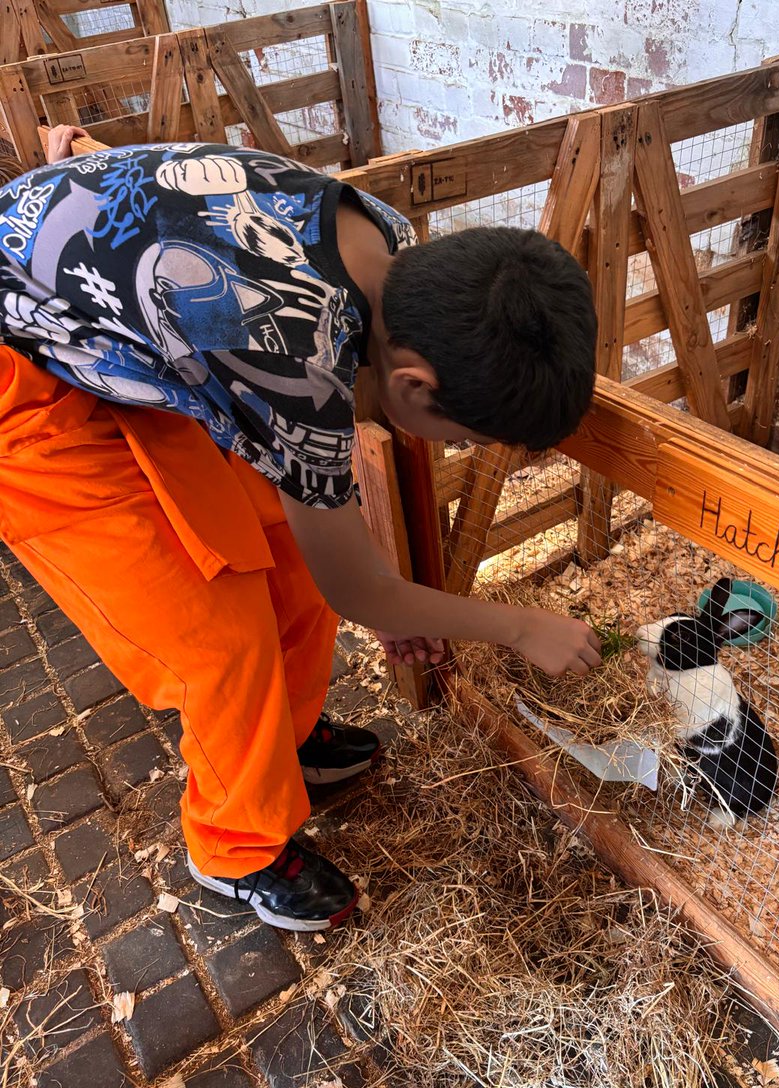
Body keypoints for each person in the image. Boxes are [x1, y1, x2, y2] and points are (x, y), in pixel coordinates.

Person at [0, 128, 602, 933]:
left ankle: (283, 737)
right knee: (217, 633)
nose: (456, 450)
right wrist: (520, 626)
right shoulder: (287, 350)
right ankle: (233, 849)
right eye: (464, 438)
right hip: (28, 380)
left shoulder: (389, 248)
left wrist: (390, 602)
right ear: (414, 384)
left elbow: (326, 533)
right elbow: (353, 582)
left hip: (129, 329)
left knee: (283, 550)